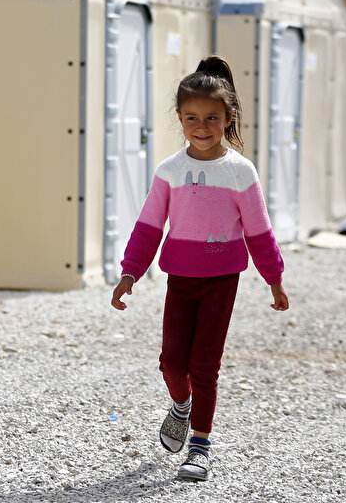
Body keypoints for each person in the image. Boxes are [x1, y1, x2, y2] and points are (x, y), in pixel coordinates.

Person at [111, 55, 289, 483]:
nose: (202, 126)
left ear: (228, 118)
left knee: (205, 364)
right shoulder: (170, 170)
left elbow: (259, 231)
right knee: (173, 364)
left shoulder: (240, 171)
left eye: (212, 117)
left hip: (221, 281)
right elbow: (149, 225)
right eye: (192, 117)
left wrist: (274, 280)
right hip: (180, 279)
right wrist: (130, 272)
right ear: (179, 118)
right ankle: (180, 405)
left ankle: (200, 446)